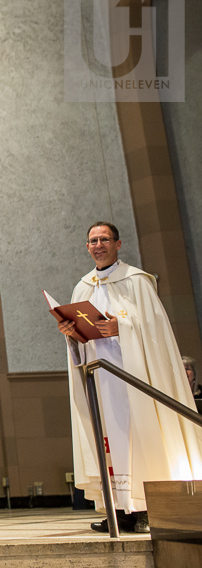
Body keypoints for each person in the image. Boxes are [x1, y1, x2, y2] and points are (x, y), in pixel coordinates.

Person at [57, 221, 202, 534]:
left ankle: (147, 508)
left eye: (105, 239)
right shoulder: (83, 288)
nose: (98, 245)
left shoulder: (137, 282)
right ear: (87, 247)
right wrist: (71, 334)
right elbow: (83, 341)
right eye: (93, 240)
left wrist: (122, 328)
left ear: (117, 244)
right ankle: (119, 511)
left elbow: (156, 331)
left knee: (141, 439)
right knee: (108, 444)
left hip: (134, 379)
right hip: (101, 382)